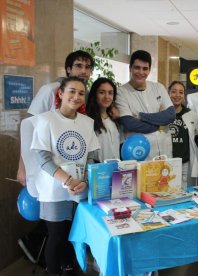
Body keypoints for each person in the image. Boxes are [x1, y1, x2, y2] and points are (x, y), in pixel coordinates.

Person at [30, 76, 100, 276]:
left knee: (73, 234)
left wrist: (84, 180)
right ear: (60, 93)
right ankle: (53, 272)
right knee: (57, 237)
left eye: (81, 93)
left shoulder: (87, 123)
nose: (76, 96)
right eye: (72, 91)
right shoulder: (46, 120)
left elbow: (92, 156)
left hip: (80, 188)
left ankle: (70, 269)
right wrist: (68, 180)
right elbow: (42, 158)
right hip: (55, 190)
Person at [17, 50, 94, 185]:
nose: (83, 71)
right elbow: (28, 129)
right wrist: (23, 167)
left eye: (87, 67)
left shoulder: (85, 95)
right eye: (78, 66)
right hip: (47, 166)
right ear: (68, 69)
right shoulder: (49, 90)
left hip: (74, 167)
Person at [115, 50, 175, 160]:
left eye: (145, 68)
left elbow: (171, 115)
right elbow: (130, 124)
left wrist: (142, 116)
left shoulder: (158, 88)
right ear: (130, 68)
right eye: (137, 67)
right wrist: (160, 123)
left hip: (164, 154)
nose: (141, 72)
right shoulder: (121, 92)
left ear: (149, 70)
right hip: (138, 156)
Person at [167, 80, 198, 188]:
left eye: (181, 92)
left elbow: (196, 136)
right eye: (174, 92)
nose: (177, 95)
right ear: (168, 94)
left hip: (185, 162)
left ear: (184, 96)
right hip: (167, 162)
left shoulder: (191, 114)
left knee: (185, 191)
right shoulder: (162, 114)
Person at [86, 78, 120, 162]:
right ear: (94, 94)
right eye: (101, 92)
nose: (107, 97)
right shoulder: (87, 120)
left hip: (117, 169)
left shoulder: (115, 119)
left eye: (110, 93)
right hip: (98, 171)